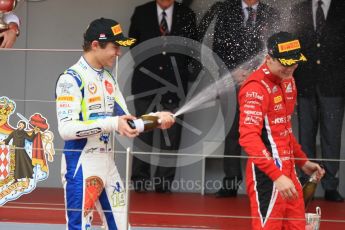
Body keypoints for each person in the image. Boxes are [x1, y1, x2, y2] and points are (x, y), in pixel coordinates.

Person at [55, 18, 175, 230]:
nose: (118, 52)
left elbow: (128, 124)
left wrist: (157, 119)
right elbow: (66, 130)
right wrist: (111, 123)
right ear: (95, 45)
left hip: (107, 165)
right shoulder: (71, 79)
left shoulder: (109, 79)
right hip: (81, 166)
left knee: (122, 227)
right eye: (115, 46)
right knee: (79, 227)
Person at [238, 31, 325, 229]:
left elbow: (284, 128)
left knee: (298, 226)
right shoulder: (255, 87)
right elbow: (248, 138)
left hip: (289, 171)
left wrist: (302, 161)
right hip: (267, 176)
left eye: (295, 63)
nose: (291, 69)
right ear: (269, 58)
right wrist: (276, 176)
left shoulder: (288, 81)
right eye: (285, 64)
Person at [211, 0, 280, 197]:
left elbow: (274, 52)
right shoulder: (226, 11)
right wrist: (233, 72)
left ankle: (263, 184)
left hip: (262, 84)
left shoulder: (271, 13)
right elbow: (217, 47)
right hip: (232, 81)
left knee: (263, 135)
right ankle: (231, 183)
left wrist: (256, 73)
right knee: (232, 134)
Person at [128, 0, 196, 193]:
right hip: (145, 84)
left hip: (174, 85)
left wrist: (177, 70)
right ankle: (139, 181)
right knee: (143, 133)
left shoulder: (186, 14)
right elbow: (134, 45)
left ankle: (163, 183)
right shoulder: (141, 11)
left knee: (170, 136)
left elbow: (192, 48)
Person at [291, 0, 345, 202]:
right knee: (305, 137)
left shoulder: (342, 8)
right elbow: (294, 50)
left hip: (335, 87)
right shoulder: (299, 9)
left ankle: (331, 186)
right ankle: (307, 186)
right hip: (304, 85)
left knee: (332, 137)